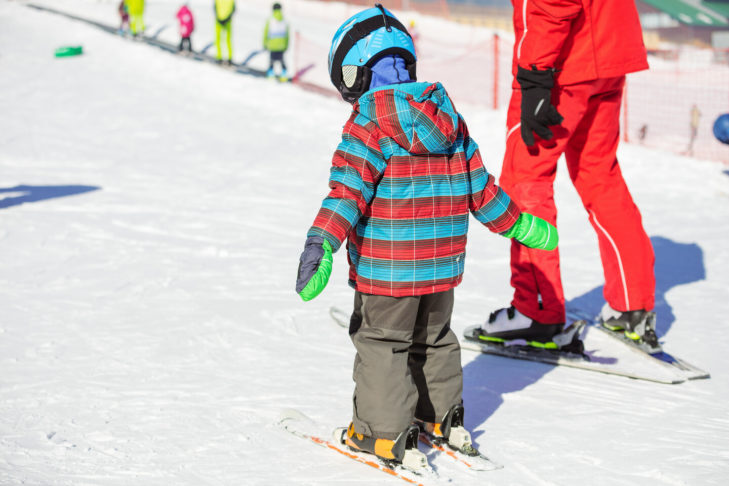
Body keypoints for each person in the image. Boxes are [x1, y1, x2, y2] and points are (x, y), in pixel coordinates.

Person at [295, 5, 558, 468]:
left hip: (387, 270)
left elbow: (347, 192)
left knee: (381, 341)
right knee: (434, 337)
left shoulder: (368, 123)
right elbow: (481, 188)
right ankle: (442, 419)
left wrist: (322, 242)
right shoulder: (448, 119)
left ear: (355, 73)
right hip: (441, 269)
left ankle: (381, 433)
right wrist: (519, 224)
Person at [475, 0, 659, 351]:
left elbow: (548, 4)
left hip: (560, 65)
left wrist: (534, 76)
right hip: (606, 53)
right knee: (599, 174)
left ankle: (537, 312)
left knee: (526, 178)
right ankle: (632, 303)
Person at [263, 3, 289, 80]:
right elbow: (287, 35)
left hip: (272, 45)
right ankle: (284, 74)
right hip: (281, 45)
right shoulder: (284, 20)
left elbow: (266, 32)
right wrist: (286, 45)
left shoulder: (270, 20)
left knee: (272, 60)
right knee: (281, 60)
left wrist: (265, 43)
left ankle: (271, 73)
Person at [214, 0, 235, 64]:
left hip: (226, 21)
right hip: (220, 20)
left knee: (227, 40)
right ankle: (219, 56)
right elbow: (215, 7)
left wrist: (226, 19)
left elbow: (233, 9)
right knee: (218, 39)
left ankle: (229, 58)